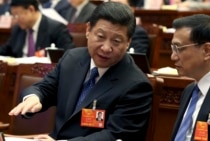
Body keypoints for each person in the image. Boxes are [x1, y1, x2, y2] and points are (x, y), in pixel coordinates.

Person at [9, 2, 153, 141]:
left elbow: (115, 136)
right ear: (88, 30)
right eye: (101, 37)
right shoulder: (72, 58)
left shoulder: (136, 86)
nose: (106, 48)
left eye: (116, 41)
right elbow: (45, 88)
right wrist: (35, 97)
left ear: (128, 42)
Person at [0, 0, 75, 58]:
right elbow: (6, 49)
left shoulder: (56, 28)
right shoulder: (18, 29)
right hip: (20, 73)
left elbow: (69, 55)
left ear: (31, 9)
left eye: (17, 15)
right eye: (13, 16)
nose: (15, 19)